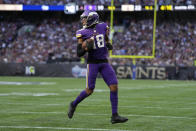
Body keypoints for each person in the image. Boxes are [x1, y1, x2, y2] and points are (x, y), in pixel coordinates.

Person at [67, 10, 128, 124]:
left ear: (91, 18)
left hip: (104, 62)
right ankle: (73, 104)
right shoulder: (82, 32)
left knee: (114, 86)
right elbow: (79, 53)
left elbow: (105, 38)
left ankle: (114, 116)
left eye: (84, 18)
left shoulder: (103, 26)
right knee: (90, 90)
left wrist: (108, 43)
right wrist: (86, 48)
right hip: (93, 63)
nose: (83, 20)